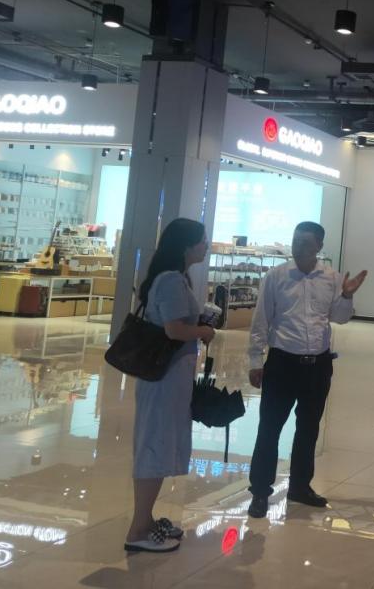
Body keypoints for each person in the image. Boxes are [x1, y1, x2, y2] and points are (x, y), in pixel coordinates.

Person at [246, 221, 367, 517]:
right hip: (282, 363)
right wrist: (255, 361)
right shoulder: (276, 277)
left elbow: (340, 318)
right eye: (295, 240)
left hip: (317, 365)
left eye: (305, 242)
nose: (298, 246)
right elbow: (261, 320)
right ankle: (260, 491)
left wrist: (347, 295)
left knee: (309, 429)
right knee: (269, 428)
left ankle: (300, 487)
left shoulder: (332, 278)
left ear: (319, 246)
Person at [126, 218, 215, 553]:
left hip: (172, 376)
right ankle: (138, 530)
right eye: (202, 240)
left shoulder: (176, 278)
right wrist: (204, 331)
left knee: (160, 444)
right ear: (186, 245)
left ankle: (146, 519)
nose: (206, 246)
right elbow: (174, 329)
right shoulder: (171, 280)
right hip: (163, 378)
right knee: (154, 445)